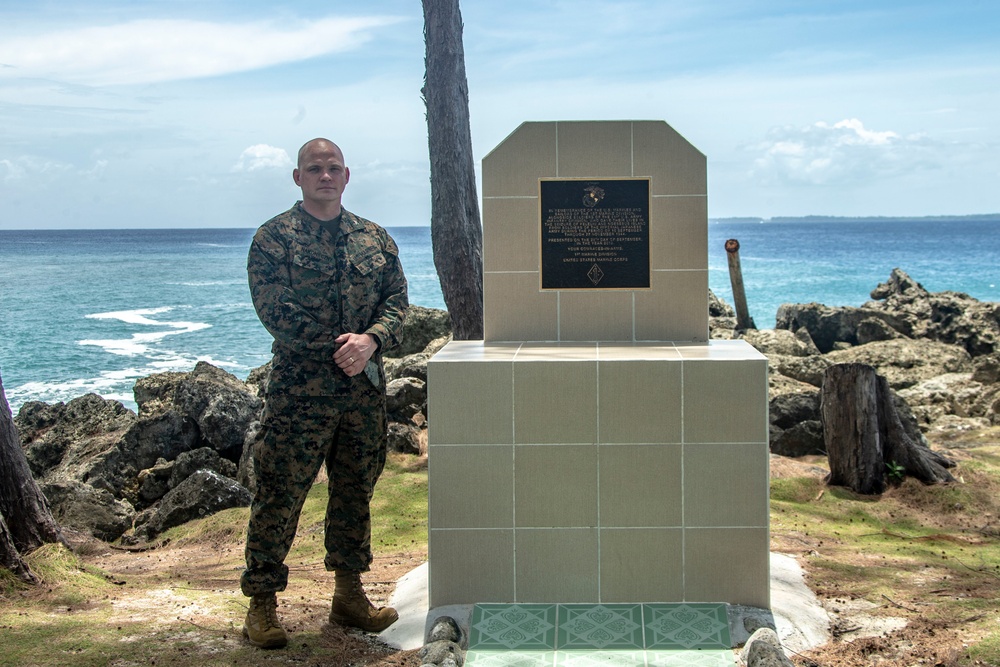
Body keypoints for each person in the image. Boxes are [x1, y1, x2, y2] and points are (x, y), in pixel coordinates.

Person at [240, 138, 408, 649]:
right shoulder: (273, 240)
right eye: (315, 168)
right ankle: (262, 605)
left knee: (355, 493)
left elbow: (398, 303)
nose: (325, 175)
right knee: (280, 493)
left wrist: (372, 340)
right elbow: (276, 312)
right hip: (299, 395)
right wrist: (343, 349)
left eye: (333, 168)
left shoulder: (374, 239)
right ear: (298, 178)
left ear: (347, 174)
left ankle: (348, 595)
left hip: (362, 395)